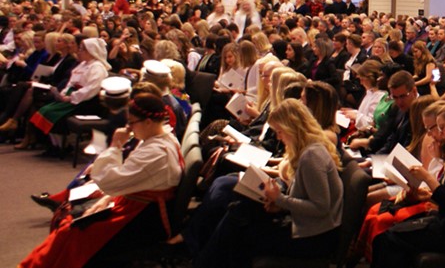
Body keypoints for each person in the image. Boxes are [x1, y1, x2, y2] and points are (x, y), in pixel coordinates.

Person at [20, 93, 182, 268]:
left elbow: (107, 181)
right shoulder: (161, 138)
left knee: (73, 231)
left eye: (132, 123)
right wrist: (107, 199)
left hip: (143, 220)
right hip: (138, 204)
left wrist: (115, 146)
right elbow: (123, 183)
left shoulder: (156, 153)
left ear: (148, 122)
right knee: (72, 218)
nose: (129, 128)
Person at [189, 98, 343, 267]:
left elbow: (321, 207)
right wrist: (280, 205)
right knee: (238, 212)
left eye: (279, 132)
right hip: (305, 226)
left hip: (313, 237)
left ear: (292, 129)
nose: (278, 137)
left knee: (237, 230)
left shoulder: (311, 156)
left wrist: (280, 200)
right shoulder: (308, 151)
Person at [372, 102, 445, 267]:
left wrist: (428, 178)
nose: (441, 133)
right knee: (387, 234)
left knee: (388, 239)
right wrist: (429, 195)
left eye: (443, 127)